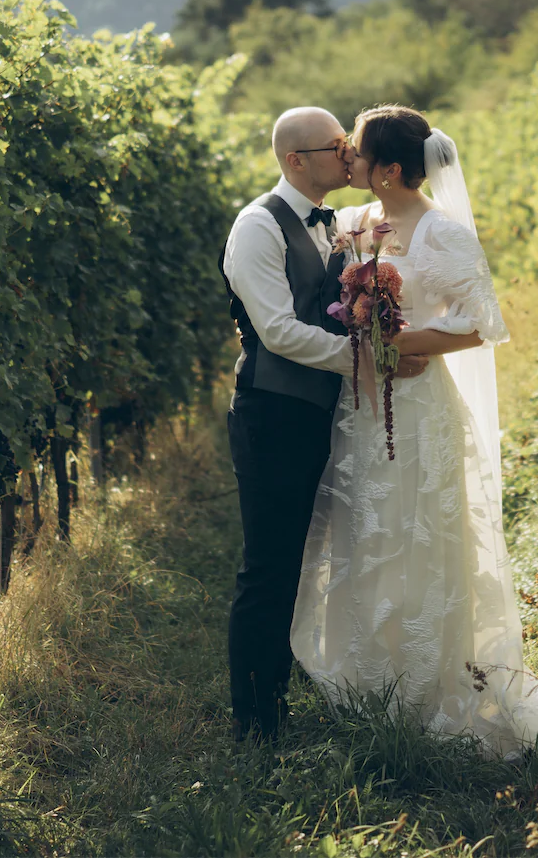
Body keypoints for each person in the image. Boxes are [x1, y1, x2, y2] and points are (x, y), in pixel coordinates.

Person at [289, 104, 538, 757]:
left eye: (358, 149)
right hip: (359, 406)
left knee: (419, 531)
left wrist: (401, 339)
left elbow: (478, 323)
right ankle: (366, 678)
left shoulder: (442, 233)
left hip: (416, 404)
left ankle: (426, 683)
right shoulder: (352, 224)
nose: (346, 154)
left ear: (389, 170)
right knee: (364, 525)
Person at [220, 106, 430, 739]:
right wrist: (368, 359)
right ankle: (255, 724)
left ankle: (305, 689)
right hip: (274, 414)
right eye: (335, 145)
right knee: (271, 566)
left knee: (323, 559)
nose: (347, 153)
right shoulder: (256, 227)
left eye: (348, 143)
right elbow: (278, 331)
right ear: (295, 160)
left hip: (329, 413)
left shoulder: (338, 223)